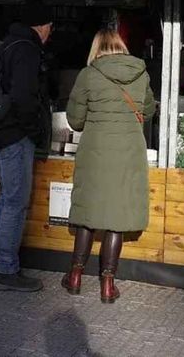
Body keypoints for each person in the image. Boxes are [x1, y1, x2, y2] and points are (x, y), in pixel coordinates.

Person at [61, 29, 155, 304]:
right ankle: (107, 284)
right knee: (118, 216)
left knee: (87, 211)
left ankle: (75, 276)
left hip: (95, 152)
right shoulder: (141, 74)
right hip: (128, 153)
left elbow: (75, 120)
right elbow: (148, 111)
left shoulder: (88, 75)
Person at [0, 0, 52, 293]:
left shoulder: (5, 43)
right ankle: (6, 268)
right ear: (42, 25)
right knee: (15, 202)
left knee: (5, 197)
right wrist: (34, 131)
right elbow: (23, 98)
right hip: (14, 135)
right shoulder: (26, 50)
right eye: (49, 26)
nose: (50, 32)